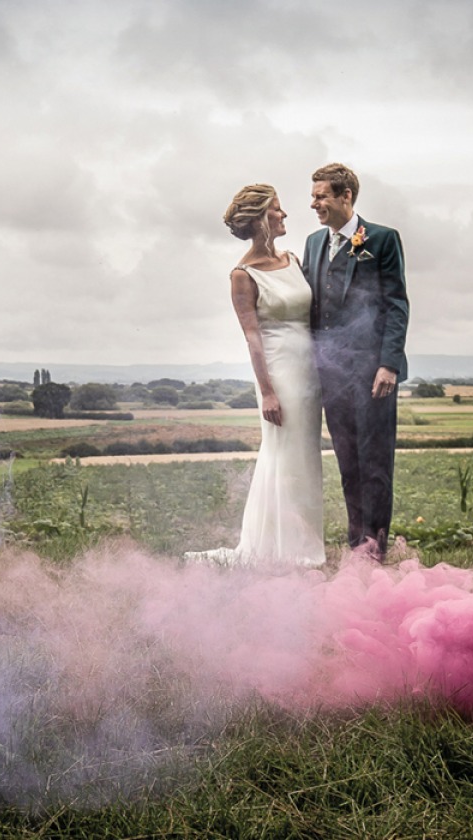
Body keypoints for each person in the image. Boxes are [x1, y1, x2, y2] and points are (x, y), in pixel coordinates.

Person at [185, 184, 325, 569]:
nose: (285, 216)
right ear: (262, 218)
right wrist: (267, 392)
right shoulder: (242, 275)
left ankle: (300, 544)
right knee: (285, 456)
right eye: (278, 210)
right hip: (280, 374)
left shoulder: (294, 260)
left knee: (304, 458)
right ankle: (289, 551)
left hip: (310, 371)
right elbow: (252, 338)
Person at [302, 163, 409, 561]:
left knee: (375, 462)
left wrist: (389, 364)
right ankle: (354, 548)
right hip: (331, 373)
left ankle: (375, 551)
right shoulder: (313, 243)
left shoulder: (381, 239)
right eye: (313, 196)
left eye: (321, 196)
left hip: (371, 374)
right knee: (348, 463)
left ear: (346, 197)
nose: (313, 204)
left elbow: (396, 304)